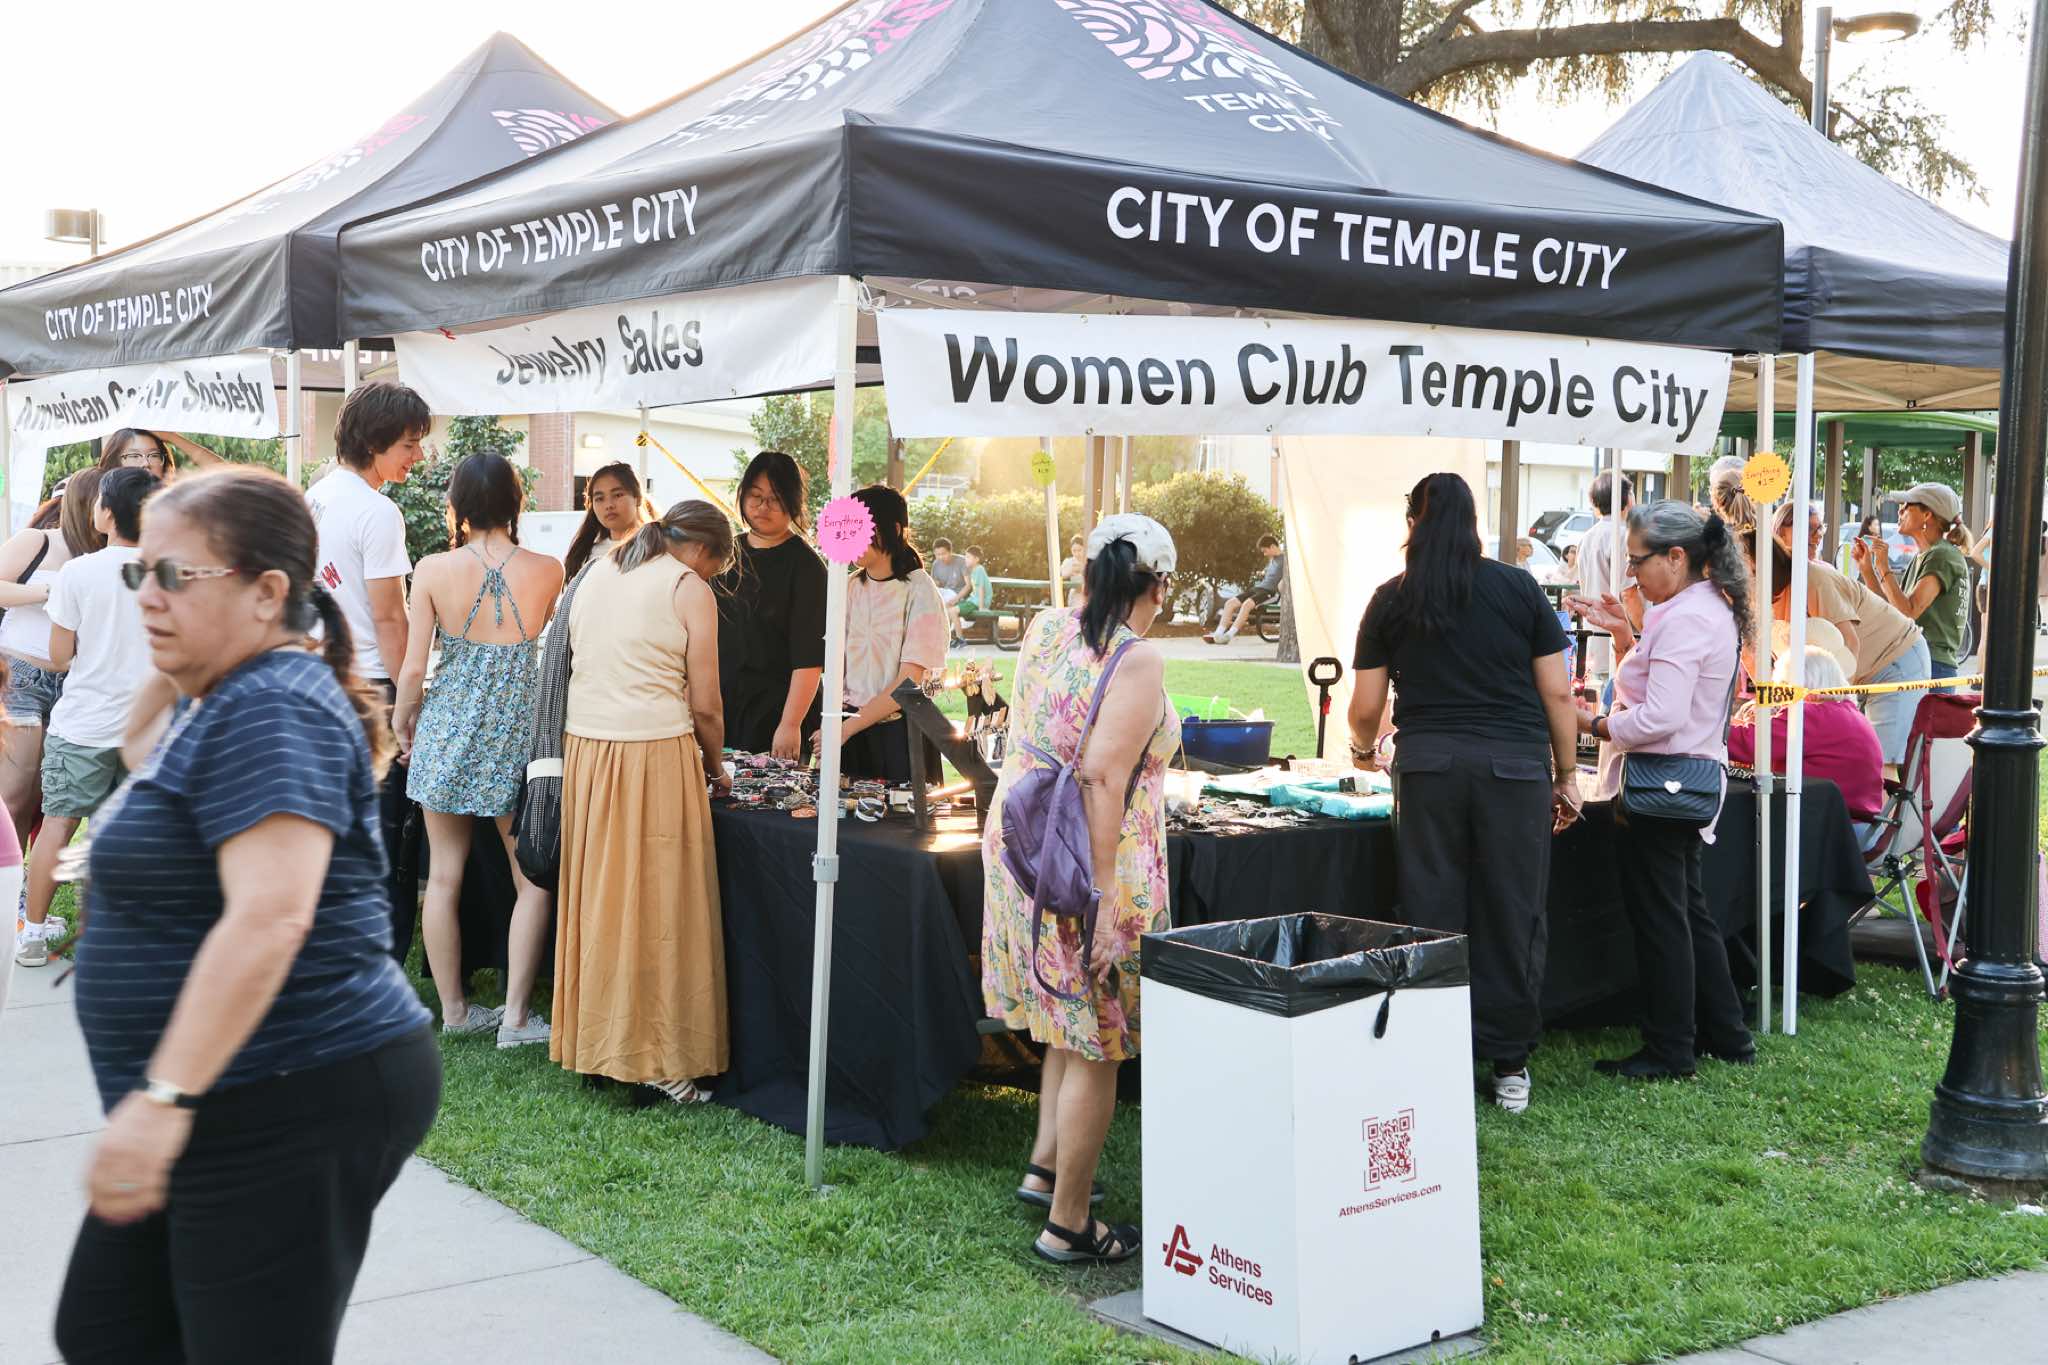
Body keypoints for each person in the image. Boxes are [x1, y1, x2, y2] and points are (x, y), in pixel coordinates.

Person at [53, 467, 437, 1365]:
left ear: (268, 593)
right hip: (233, 1089)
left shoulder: (273, 704)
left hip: (290, 1086)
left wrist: (164, 1098)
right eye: (139, 573)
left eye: (174, 575)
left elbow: (270, 918)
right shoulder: (229, 694)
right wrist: (180, 660)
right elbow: (142, 756)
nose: (147, 596)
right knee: (107, 1331)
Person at [982, 513, 1180, 1265]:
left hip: (1023, 841)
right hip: (1086, 858)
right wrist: (1102, 900)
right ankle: (1069, 1224)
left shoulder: (1045, 628)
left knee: (1066, 1018)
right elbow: (1100, 776)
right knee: (1098, 1036)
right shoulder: (1137, 658)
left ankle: (1045, 1167)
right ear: (1158, 586)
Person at [1350, 474, 1579, 1114]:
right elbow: (1557, 692)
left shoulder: (1391, 598)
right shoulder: (1519, 588)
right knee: (1513, 912)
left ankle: (1434, 1055)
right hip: (1515, 768)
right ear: (1474, 522)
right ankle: (1509, 1064)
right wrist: (1566, 772)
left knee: (1429, 912)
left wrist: (1363, 751)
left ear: (1413, 522)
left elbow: (1366, 707)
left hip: (1429, 769)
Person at [556, 500, 732, 1104]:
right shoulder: (687, 588)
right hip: (652, 750)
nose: (710, 578)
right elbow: (706, 704)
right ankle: (657, 1059)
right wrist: (716, 767)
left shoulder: (600, 568)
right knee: (659, 907)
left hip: (587, 750)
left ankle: (598, 1044)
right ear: (703, 552)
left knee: (602, 902)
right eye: (714, 569)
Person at [1571, 501, 1753, 1080]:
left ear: (1676, 557)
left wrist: (1595, 723)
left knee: (1662, 920)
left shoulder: (1684, 617)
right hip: (1688, 777)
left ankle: (1671, 1047)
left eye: (1637, 561)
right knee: (1687, 912)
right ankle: (1726, 1032)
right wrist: (1625, 634)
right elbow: (1669, 691)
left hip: (1661, 781)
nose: (1631, 574)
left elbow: (1661, 716)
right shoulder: (1706, 606)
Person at [394, 453, 564, 1047]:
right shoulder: (549, 569)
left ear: (458, 504)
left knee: (443, 877)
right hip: (516, 736)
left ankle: (456, 1011)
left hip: (446, 732)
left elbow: (413, 668)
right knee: (531, 879)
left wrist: (403, 723)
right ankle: (515, 1018)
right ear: (517, 502)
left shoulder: (432, 569)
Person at [17, 468, 159, 969]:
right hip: (149, 729)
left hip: (83, 724)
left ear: (106, 514)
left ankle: (34, 935)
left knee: (59, 825)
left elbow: (59, 657)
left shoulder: (79, 572)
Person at [308, 380, 430, 964]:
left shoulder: (313, 498)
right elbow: (389, 616)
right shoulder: (377, 512)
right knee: (380, 840)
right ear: (375, 443)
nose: (418, 456)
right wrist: (410, 704)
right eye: (409, 444)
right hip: (369, 691)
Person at [1766, 501, 1929, 765]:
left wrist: (1838, 708)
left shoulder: (1814, 575)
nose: (1817, 536)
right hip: (1859, 672)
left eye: (1819, 529)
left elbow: (1849, 646)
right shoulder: (1769, 586)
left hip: (1895, 660)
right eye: (1809, 529)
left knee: (1878, 761)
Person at [0, 470, 100, 854]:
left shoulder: (106, 554)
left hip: (73, 681)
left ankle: (18, 881)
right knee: (13, 792)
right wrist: (48, 591)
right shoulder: (38, 540)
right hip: (21, 674)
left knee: (38, 798)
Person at [716, 450, 826, 758]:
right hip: (723, 708)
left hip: (776, 713)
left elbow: (809, 659)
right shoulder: (725, 554)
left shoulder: (807, 567)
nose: (763, 506)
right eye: (755, 495)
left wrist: (790, 724)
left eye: (775, 499)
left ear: (793, 503)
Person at [837, 485, 947, 783]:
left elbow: (910, 681)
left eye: (860, 528)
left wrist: (848, 728)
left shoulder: (919, 590)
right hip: (850, 731)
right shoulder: (849, 586)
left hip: (899, 734)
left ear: (894, 530)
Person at [1727, 647, 1884, 823]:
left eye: (1783, 687)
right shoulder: (1847, 713)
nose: (1780, 698)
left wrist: (1711, 728)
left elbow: (1751, 744)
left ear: (1802, 686)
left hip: (1825, 826)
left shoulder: (1810, 715)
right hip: (1853, 822)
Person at [1855, 482, 1967, 688]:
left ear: (1927, 515)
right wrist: (1868, 570)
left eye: (1906, 505)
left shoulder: (1941, 555)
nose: (1900, 510)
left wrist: (1883, 567)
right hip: (1924, 663)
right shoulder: (1926, 555)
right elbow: (1894, 613)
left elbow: (1909, 611)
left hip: (1932, 666)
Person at [1575, 472, 1635, 678]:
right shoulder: (1624, 536)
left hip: (1594, 631)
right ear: (1627, 499)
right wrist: (1647, 632)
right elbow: (1629, 593)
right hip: (1621, 638)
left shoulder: (1587, 537)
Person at [562, 461, 655, 580]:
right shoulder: (585, 555)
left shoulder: (657, 548)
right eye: (600, 498)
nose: (609, 505)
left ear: (638, 498)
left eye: (617, 495)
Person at [1205, 534, 1283, 644]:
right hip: (1258, 588)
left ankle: (1228, 635)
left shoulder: (1286, 560)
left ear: (1272, 547)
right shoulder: (1272, 560)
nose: (1264, 554)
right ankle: (1218, 634)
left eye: (1265, 551)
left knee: (1247, 605)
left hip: (1270, 592)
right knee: (1230, 603)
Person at [98, 427, 226, 483]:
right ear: (115, 463)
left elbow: (226, 473)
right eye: (135, 456)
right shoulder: (104, 508)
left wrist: (172, 437)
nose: (145, 463)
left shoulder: (175, 504)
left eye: (154, 455)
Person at [950, 544, 995, 645]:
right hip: (973, 601)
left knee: (952, 611)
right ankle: (951, 637)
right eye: (965, 556)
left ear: (976, 559)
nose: (965, 559)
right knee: (950, 608)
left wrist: (982, 607)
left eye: (968, 557)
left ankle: (960, 639)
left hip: (977, 602)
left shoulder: (979, 570)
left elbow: (981, 588)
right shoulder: (974, 570)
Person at [930, 536, 969, 608]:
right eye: (938, 554)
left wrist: (956, 599)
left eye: (943, 554)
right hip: (945, 592)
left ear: (950, 551)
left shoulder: (962, 561)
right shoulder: (936, 564)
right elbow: (936, 584)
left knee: (941, 604)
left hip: (957, 594)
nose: (941, 557)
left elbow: (968, 585)